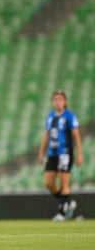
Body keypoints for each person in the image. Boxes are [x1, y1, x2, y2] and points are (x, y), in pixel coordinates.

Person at [38, 89, 83, 221]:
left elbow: (76, 136)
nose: (58, 102)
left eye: (60, 99)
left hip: (65, 153)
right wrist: (41, 152)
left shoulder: (69, 116)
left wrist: (79, 154)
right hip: (52, 154)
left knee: (64, 183)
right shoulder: (50, 116)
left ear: (65, 102)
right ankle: (68, 203)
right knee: (48, 182)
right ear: (53, 102)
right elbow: (46, 135)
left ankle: (62, 212)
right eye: (56, 99)